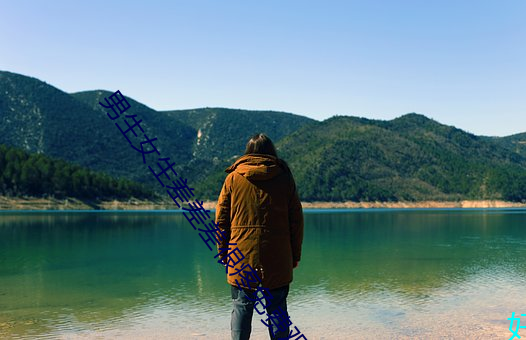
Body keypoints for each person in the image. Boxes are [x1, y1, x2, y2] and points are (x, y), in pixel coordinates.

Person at [215, 133, 304, 340]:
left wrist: (223, 252)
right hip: (278, 255)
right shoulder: (284, 177)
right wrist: (295, 255)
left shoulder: (233, 178)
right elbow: (296, 220)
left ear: (247, 152)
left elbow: (221, 221)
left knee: (242, 307)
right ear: (272, 151)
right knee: (277, 308)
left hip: (240, 253)